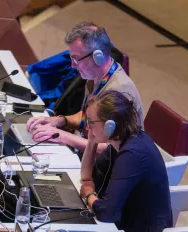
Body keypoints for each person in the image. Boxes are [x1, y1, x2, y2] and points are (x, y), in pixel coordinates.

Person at [26, 21, 143, 155]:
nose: (72, 65)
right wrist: (59, 120)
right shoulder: (95, 77)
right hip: (90, 154)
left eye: (76, 59)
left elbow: (113, 148)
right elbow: (89, 117)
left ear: (97, 57)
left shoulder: (119, 90)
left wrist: (62, 136)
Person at [80, 90, 172, 232]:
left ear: (109, 125)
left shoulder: (132, 155)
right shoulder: (120, 139)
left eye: (90, 122)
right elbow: (87, 178)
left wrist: (88, 194)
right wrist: (92, 142)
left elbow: (106, 213)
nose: (87, 127)